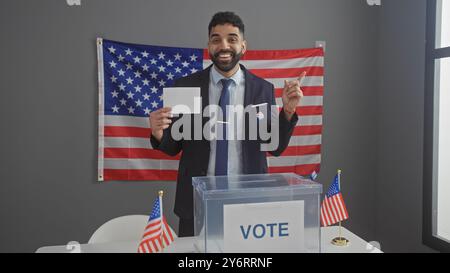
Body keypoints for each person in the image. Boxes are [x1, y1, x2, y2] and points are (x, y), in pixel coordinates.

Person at [149, 11, 303, 237]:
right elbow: (173, 147)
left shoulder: (262, 89)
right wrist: (158, 133)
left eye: (231, 39)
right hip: (196, 202)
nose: (224, 45)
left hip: (248, 202)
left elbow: (275, 147)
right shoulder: (186, 85)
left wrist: (288, 112)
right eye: (216, 39)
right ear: (209, 45)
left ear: (243, 45)